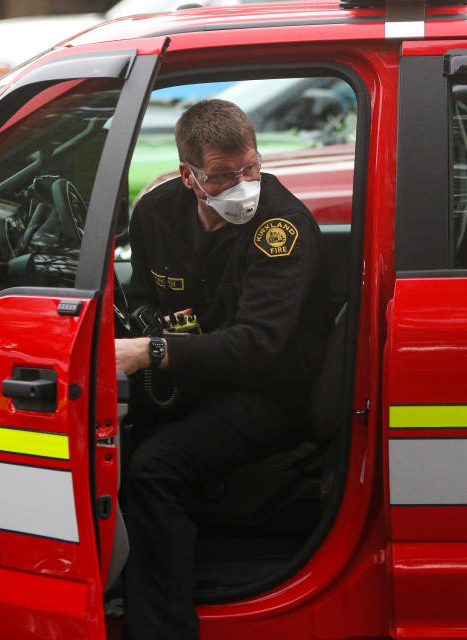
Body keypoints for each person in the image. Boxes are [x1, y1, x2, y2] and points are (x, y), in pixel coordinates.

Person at [115, 99, 332, 640]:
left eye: (250, 168)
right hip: (194, 379)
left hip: (269, 393)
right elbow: (143, 294)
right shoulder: (156, 213)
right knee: (110, 435)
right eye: (222, 175)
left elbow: (258, 346)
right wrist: (147, 330)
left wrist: (153, 352)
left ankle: (162, 628)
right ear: (189, 177)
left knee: (153, 469)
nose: (242, 184)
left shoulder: (282, 228)